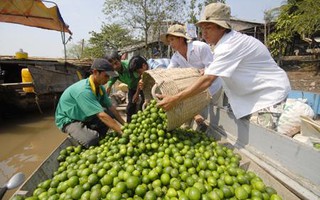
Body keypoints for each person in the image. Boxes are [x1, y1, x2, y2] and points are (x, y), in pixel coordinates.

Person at [157, 2, 291, 130]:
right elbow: (212, 69)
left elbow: (209, 80)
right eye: (202, 28)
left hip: (268, 95)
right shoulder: (222, 45)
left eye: (208, 28)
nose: (204, 33)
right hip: (247, 95)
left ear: (222, 27)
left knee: (263, 138)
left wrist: (175, 99)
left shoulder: (229, 45)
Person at [160, 24, 223, 126]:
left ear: (181, 39)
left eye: (172, 40)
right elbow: (167, 73)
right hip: (198, 89)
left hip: (213, 87)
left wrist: (205, 70)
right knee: (202, 114)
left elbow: (213, 67)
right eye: (169, 41)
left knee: (214, 115)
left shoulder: (200, 47)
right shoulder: (176, 57)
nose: (170, 44)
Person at [55, 58, 125, 148]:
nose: (108, 79)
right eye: (106, 76)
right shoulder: (84, 91)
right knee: (91, 139)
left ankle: (95, 136)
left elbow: (111, 108)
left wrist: (124, 125)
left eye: (109, 77)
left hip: (84, 115)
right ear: (95, 72)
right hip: (69, 119)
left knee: (110, 113)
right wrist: (122, 132)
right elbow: (101, 115)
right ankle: (88, 137)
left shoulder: (100, 88)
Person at [105, 51, 143, 122]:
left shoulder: (130, 65)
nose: (115, 67)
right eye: (112, 65)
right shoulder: (114, 71)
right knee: (130, 109)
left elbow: (139, 79)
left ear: (120, 59)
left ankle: (142, 122)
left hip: (142, 85)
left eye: (116, 63)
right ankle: (129, 125)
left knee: (143, 105)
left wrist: (137, 94)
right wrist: (105, 99)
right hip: (131, 88)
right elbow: (109, 85)